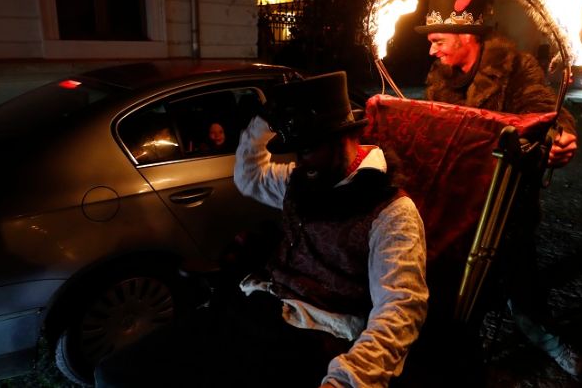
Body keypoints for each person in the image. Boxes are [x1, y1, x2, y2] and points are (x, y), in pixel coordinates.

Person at [94, 71, 428, 388]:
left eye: (310, 148)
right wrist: (265, 121)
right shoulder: (304, 180)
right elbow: (250, 176)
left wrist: (351, 377)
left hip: (314, 337)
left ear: (348, 136)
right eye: (298, 149)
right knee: (115, 373)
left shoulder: (392, 212)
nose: (301, 160)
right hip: (256, 309)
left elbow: (399, 308)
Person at [413, 0, 582, 376]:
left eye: (438, 42)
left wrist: (560, 136)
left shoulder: (516, 67)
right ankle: (459, 353)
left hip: (508, 203)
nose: (432, 52)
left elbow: (545, 109)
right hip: (460, 201)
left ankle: (543, 336)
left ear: (466, 37)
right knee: (459, 288)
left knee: (521, 276)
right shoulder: (439, 79)